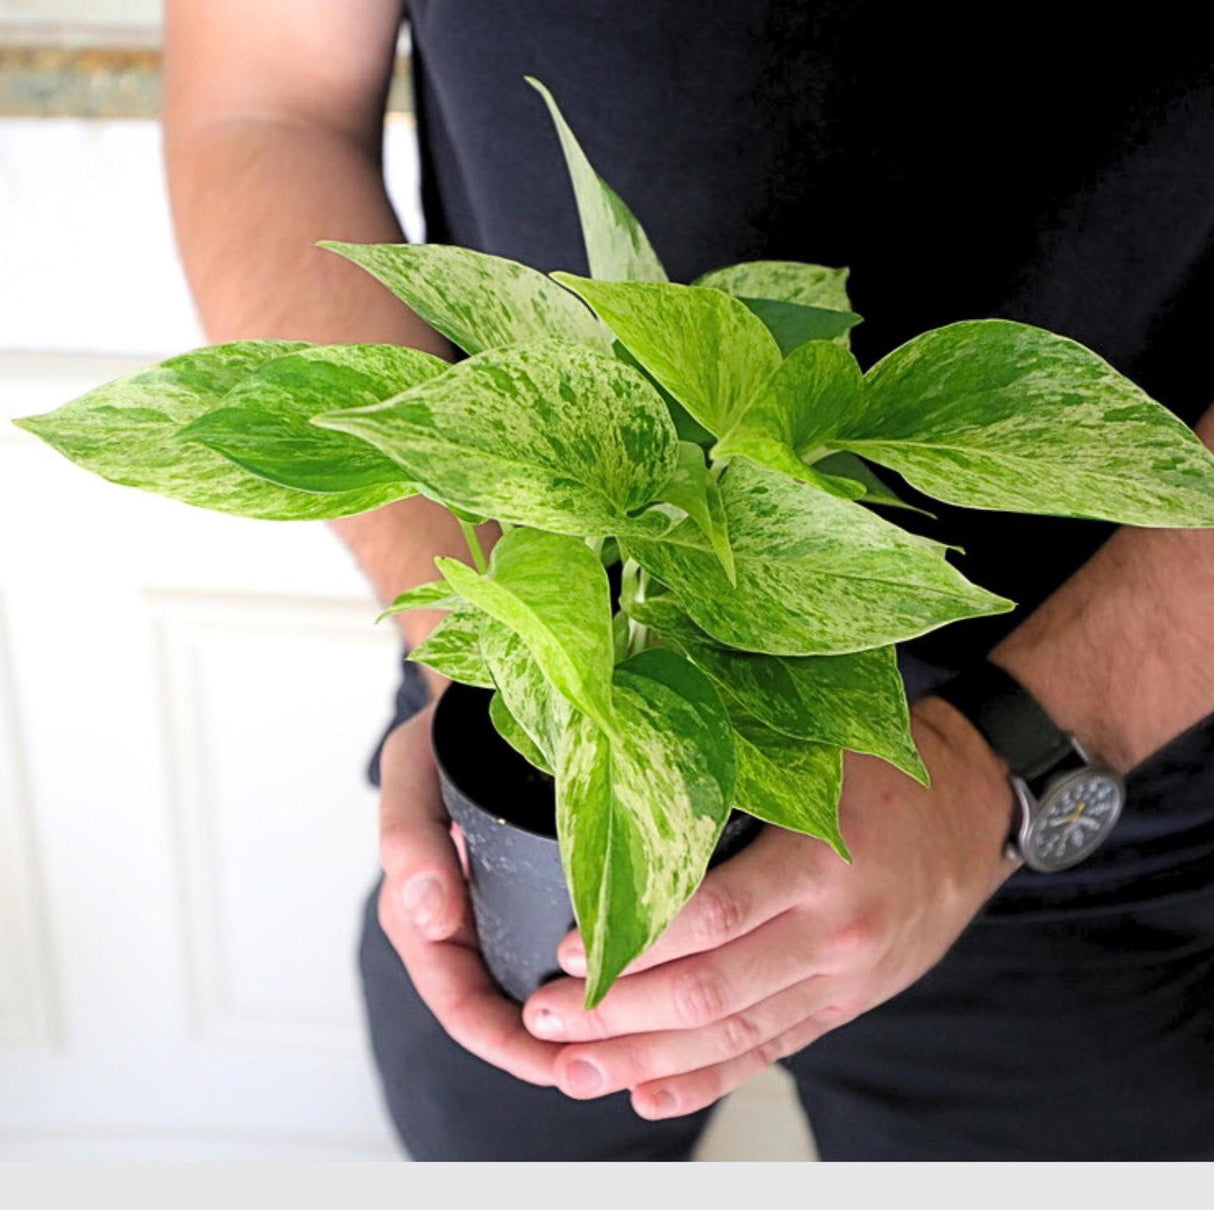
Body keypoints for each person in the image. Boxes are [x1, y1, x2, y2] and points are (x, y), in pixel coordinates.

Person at [163, 1, 1214, 1160]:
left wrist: (996, 765)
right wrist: (487, 631)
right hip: (521, 752)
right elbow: (262, 109)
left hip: (1083, 800)